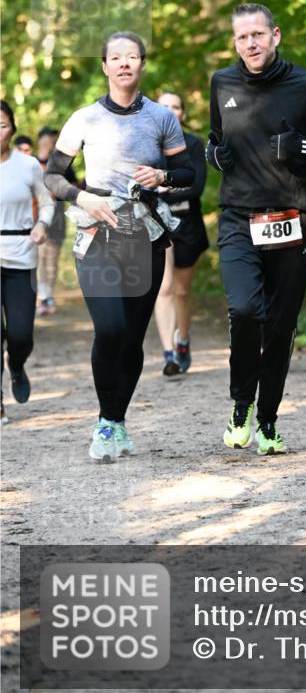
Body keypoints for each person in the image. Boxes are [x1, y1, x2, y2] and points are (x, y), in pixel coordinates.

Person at [44, 32, 194, 463]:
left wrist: (162, 177)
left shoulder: (162, 117)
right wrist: (82, 196)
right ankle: (107, 422)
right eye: (116, 57)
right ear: (106, 67)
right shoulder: (84, 119)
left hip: (143, 236)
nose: (124, 63)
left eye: (132, 57)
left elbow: (187, 172)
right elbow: (54, 177)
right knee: (108, 329)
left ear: (142, 64)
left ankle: (114, 420)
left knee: (131, 338)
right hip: (96, 236)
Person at [207, 3, 306, 456]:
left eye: (258, 35)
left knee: (281, 326)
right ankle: (241, 404)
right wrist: (216, 157)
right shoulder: (222, 83)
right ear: (235, 43)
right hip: (238, 218)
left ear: (275, 36)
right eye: (243, 37)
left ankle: (267, 420)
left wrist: (298, 147)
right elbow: (214, 141)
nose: (251, 43)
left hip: (290, 219)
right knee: (246, 310)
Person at [1, 100, 54, 421]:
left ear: (12, 128)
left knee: (20, 335)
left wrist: (41, 224)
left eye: (2, 125)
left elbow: (47, 203)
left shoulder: (29, 165)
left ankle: (17, 365)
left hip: (21, 256)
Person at [154, 91, 209, 376]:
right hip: (156, 222)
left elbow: (196, 187)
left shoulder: (193, 144)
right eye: (164, 106)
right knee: (163, 288)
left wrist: (164, 188)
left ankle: (183, 341)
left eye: (176, 106)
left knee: (182, 291)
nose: (170, 111)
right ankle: (169, 354)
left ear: (182, 114)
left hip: (187, 222)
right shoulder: (147, 141)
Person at [35, 126, 78, 316]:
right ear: (41, 139)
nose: (53, 142)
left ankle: (47, 296)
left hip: (58, 215)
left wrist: (59, 190)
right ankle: (41, 295)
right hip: (34, 216)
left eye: (55, 139)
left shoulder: (61, 163)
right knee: (39, 257)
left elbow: (73, 186)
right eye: (51, 139)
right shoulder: (30, 162)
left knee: (52, 257)